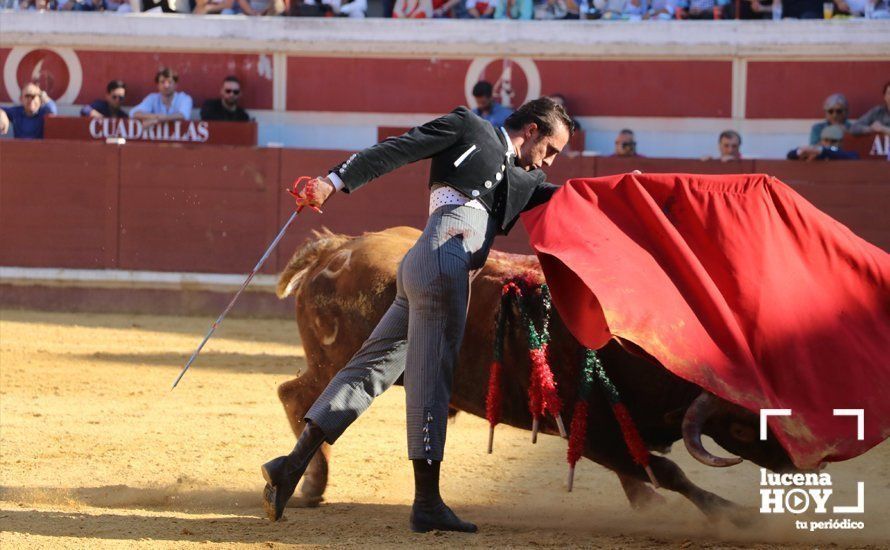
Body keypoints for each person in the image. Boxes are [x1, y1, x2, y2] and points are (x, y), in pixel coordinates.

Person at [260, 97, 572, 533]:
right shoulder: (470, 128)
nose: (550, 162)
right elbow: (398, 148)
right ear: (534, 130)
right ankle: (426, 502)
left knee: (369, 370)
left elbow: (564, 198)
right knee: (432, 378)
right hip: (444, 263)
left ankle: (290, 467)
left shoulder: (522, 177)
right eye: (551, 150)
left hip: (428, 265)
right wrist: (333, 181)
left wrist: (625, 191)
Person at [787, 124, 859, 161]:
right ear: (821, 140)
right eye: (826, 140)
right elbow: (790, 154)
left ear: (841, 142)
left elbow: (852, 156)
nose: (829, 143)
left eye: (833, 141)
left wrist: (821, 150)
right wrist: (801, 151)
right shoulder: (816, 152)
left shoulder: (846, 155)